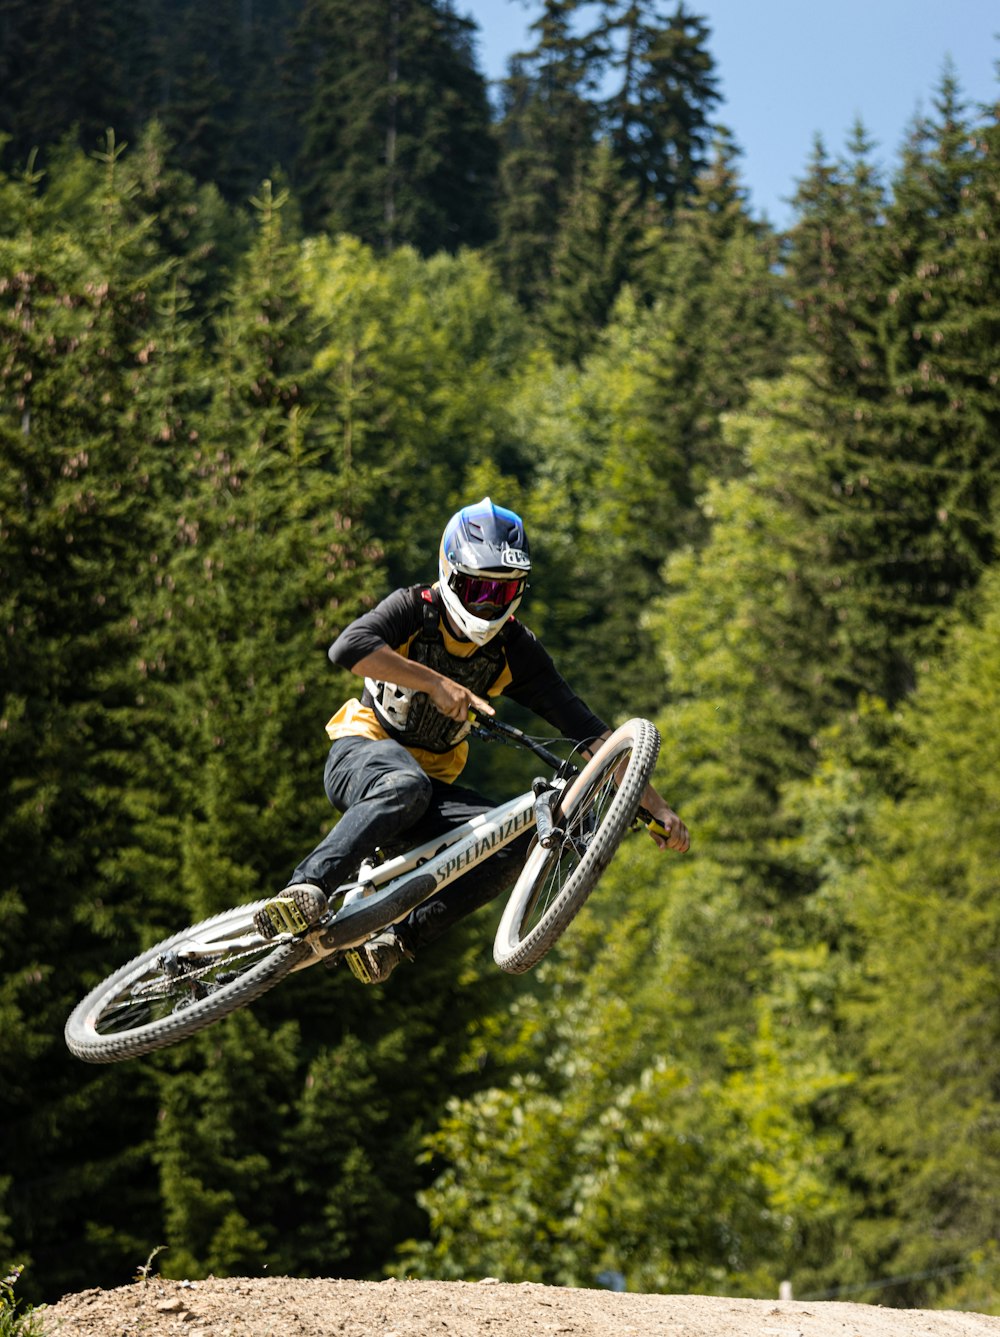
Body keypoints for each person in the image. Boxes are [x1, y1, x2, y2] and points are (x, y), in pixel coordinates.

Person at [256, 497, 690, 983]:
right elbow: (349, 648)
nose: (488, 604)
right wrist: (435, 683)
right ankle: (305, 889)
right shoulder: (412, 609)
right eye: (478, 587)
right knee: (403, 784)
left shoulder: (515, 651)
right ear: (449, 572)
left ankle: (395, 942)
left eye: (502, 593)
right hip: (362, 753)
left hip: (429, 791)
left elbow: (591, 734)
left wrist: (655, 806)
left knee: (515, 841)